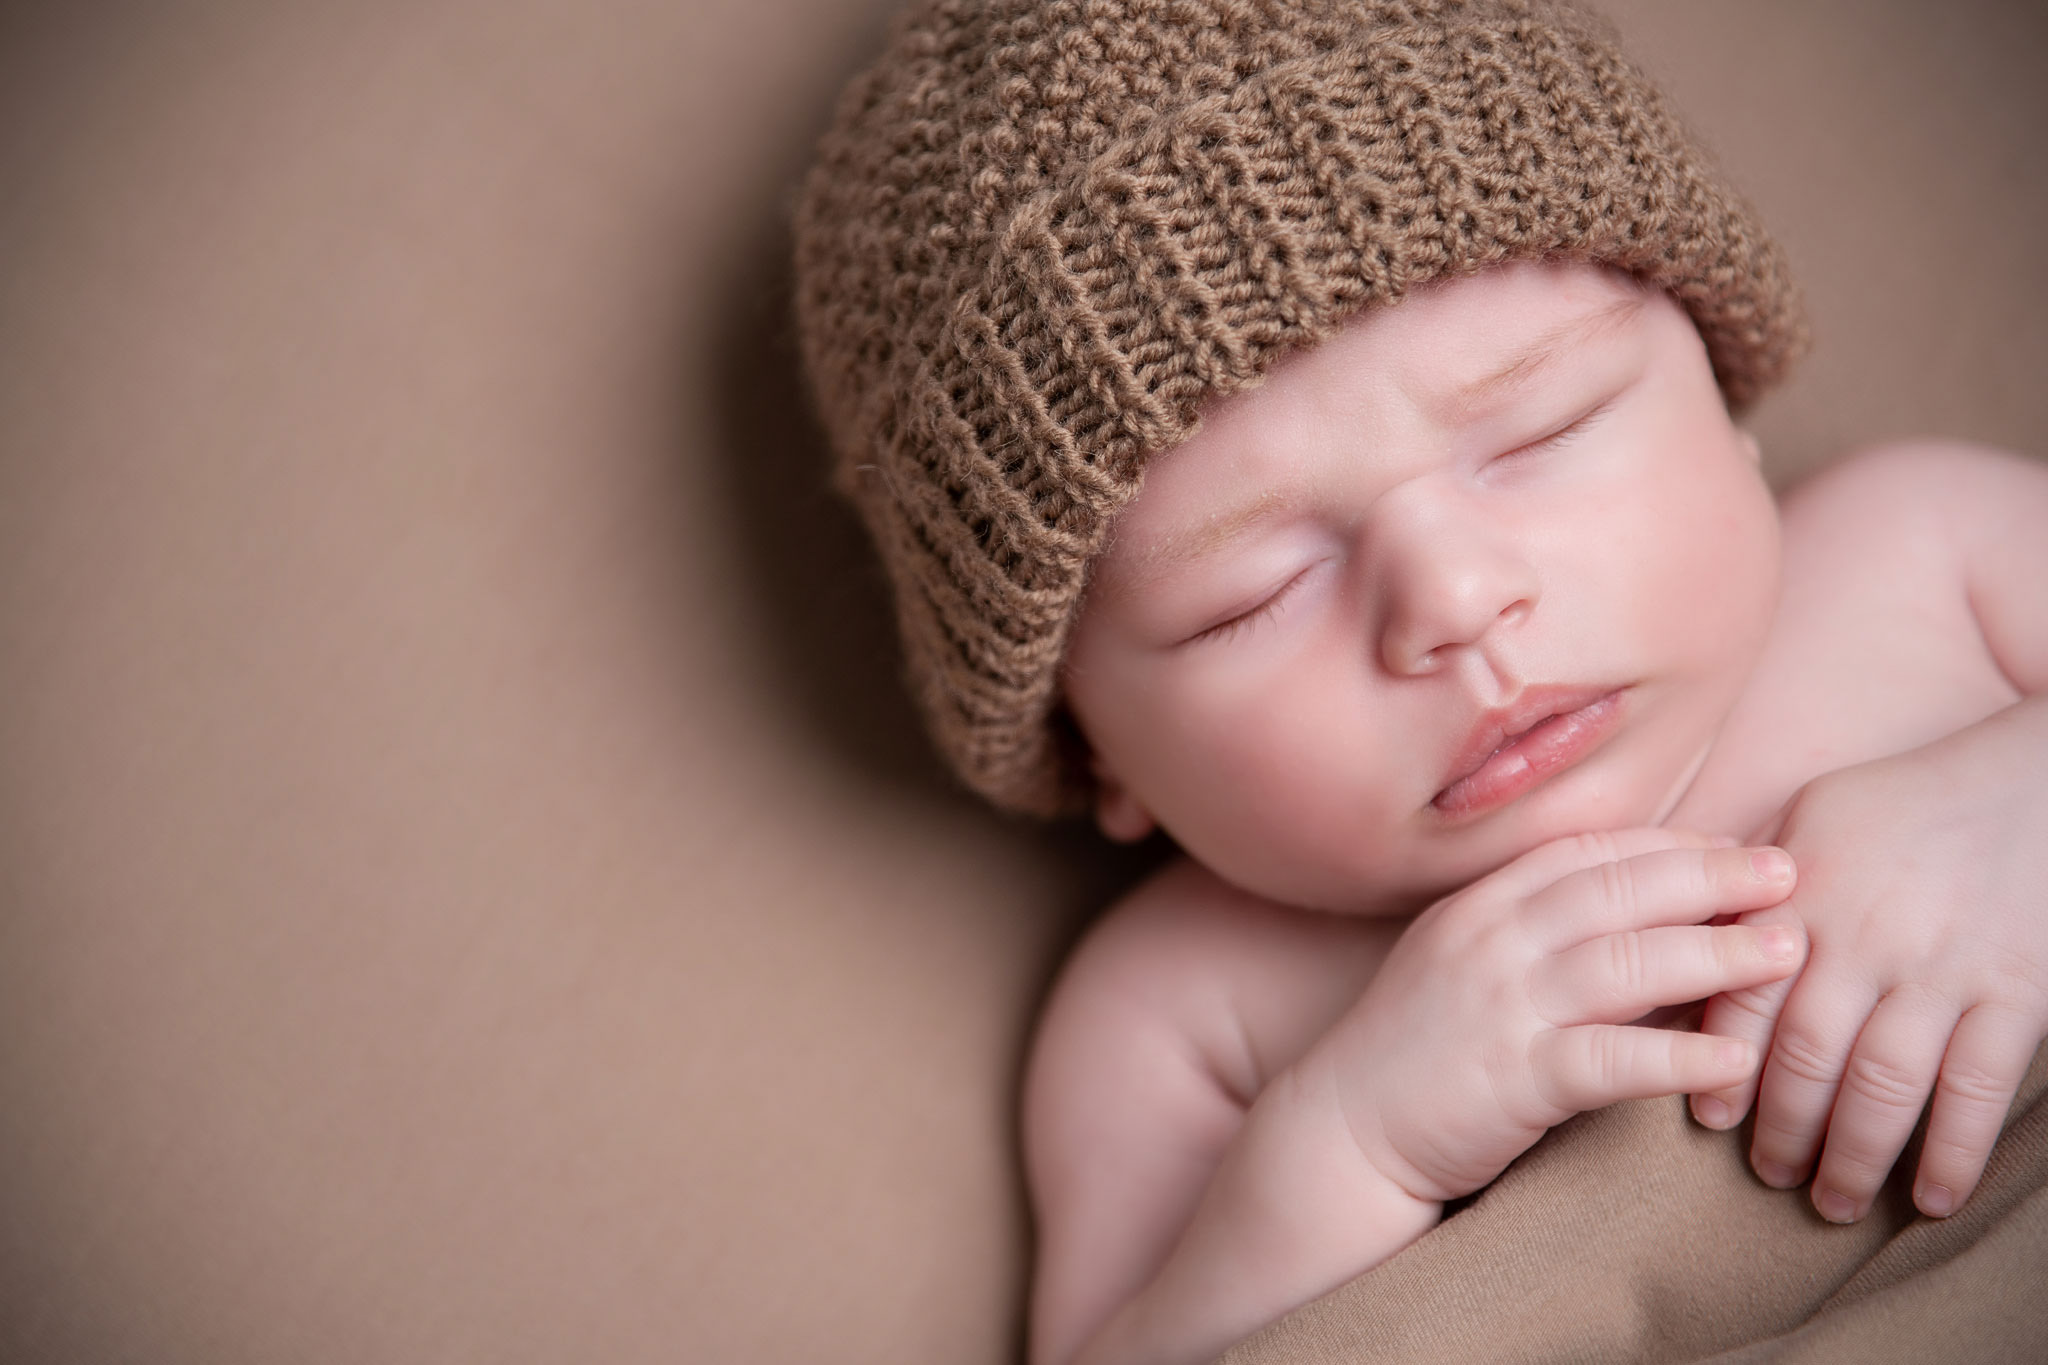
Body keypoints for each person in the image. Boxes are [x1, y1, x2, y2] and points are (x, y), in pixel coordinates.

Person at [789, 2, 2048, 1363]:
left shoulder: (1928, 552)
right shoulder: (1182, 1011)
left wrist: (2011, 813)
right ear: (1102, 758)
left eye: (1545, 428)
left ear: (1726, 395)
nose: (1450, 600)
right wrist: (1344, 1146)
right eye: (1249, 596)